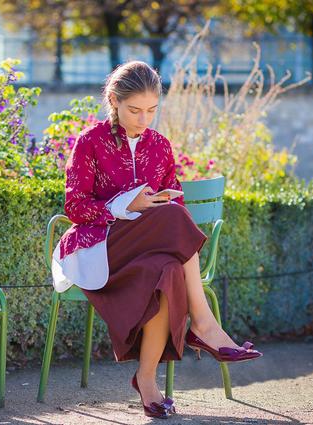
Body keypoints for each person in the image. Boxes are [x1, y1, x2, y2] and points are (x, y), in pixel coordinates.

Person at [52, 61, 262, 419]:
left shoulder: (160, 146)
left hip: (147, 250)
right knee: (175, 218)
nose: (143, 119)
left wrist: (160, 200)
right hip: (101, 247)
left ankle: (146, 381)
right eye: (134, 110)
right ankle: (204, 324)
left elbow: (174, 197)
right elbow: (75, 206)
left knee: (166, 270)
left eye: (151, 110)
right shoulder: (91, 142)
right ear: (114, 101)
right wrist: (125, 204)